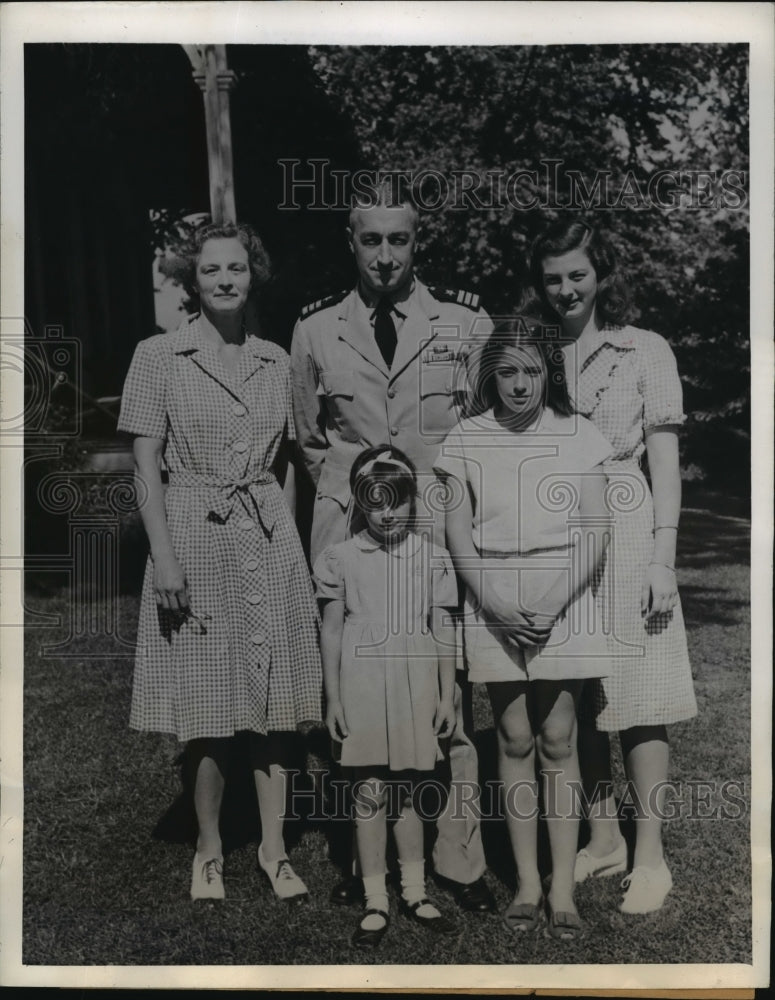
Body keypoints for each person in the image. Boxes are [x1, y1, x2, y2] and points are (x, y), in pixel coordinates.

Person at [290, 177, 495, 912]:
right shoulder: (315, 330)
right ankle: (361, 860)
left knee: (451, 691)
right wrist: (347, 498)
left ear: (418, 241)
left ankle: (457, 858)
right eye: (370, 239)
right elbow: (308, 441)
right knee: (353, 682)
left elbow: (477, 435)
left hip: (438, 532)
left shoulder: (464, 326)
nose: (384, 254)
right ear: (351, 242)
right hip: (352, 533)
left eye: (398, 238)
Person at [118, 221, 322, 902]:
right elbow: (145, 461)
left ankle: (272, 847)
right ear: (191, 280)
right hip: (194, 533)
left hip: (267, 537)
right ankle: (208, 847)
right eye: (212, 271)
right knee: (207, 703)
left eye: (237, 268)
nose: (226, 280)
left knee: (275, 698)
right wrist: (165, 560)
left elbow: (289, 462)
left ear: (252, 273)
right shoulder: (159, 356)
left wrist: (287, 542)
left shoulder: (274, 358)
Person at [526, 217, 698, 914]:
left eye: (577, 275)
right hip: (554, 535)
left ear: (600, 276)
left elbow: (663, 458)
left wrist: (664, 556)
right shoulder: (532, 351)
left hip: (628, 531)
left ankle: (649, 856)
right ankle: (603, 839)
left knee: (639, 693)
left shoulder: (643, 349)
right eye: (552, 278)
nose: (565, 289)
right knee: (579, 693)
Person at [435, 319, 612, 941]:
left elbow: (595, 531)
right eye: (505, 371)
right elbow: (459, 533)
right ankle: (528, 883)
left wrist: (554, 597)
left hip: (564, 596)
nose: (517, 384)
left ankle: (562, 884)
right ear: (490, 376)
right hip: (493, 599)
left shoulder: (579, 433)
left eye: (530, 371)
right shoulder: (464, 438)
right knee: (512, 738)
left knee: (559, 738)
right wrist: (494, 601)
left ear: (548, 373)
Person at [314, 445, 459, 947]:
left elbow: (443, 629)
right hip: (362, 681)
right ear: (359, 502)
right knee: (370, 789)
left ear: (413, 500)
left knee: (408, 791)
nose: (388, 512)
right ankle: (375, 897)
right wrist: (332, 699)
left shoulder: (432, 557)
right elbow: (331, 632)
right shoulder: (342, 558)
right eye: (376, 501)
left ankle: (415, 890)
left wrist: (446, 694)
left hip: (415, 681)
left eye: (397, 500)